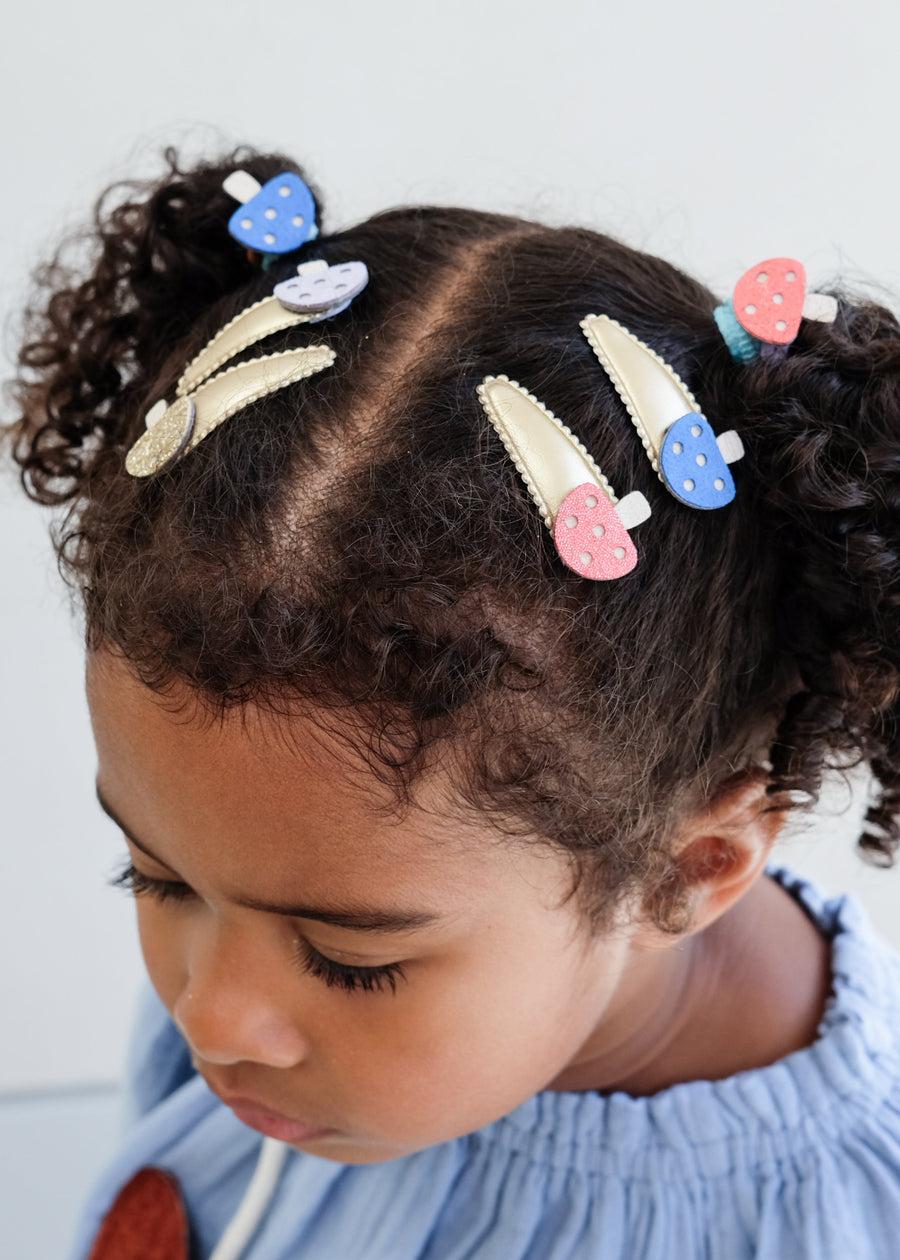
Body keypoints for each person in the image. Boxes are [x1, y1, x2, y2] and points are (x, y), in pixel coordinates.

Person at [5, 145, 900, 1260]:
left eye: (349, 961)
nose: (209, 1017)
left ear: (682, 873)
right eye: (155, 877)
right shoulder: (279, 942)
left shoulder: (830, 1223)